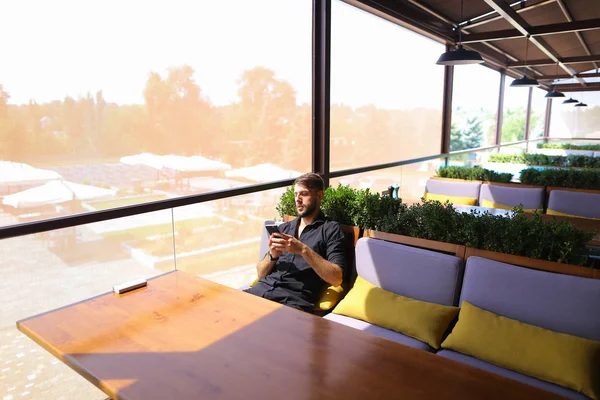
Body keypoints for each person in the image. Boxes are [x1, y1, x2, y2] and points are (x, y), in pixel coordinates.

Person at [244, 173, 346, 313]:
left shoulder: (330, 230)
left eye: (304, 194)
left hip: (292, 302)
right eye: (296, 194)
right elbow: (261, 274)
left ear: (319, 196)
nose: (298, 199)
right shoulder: (285, 228)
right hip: (261, 292)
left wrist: (303, 250)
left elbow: (336, 278)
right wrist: (273, 255)